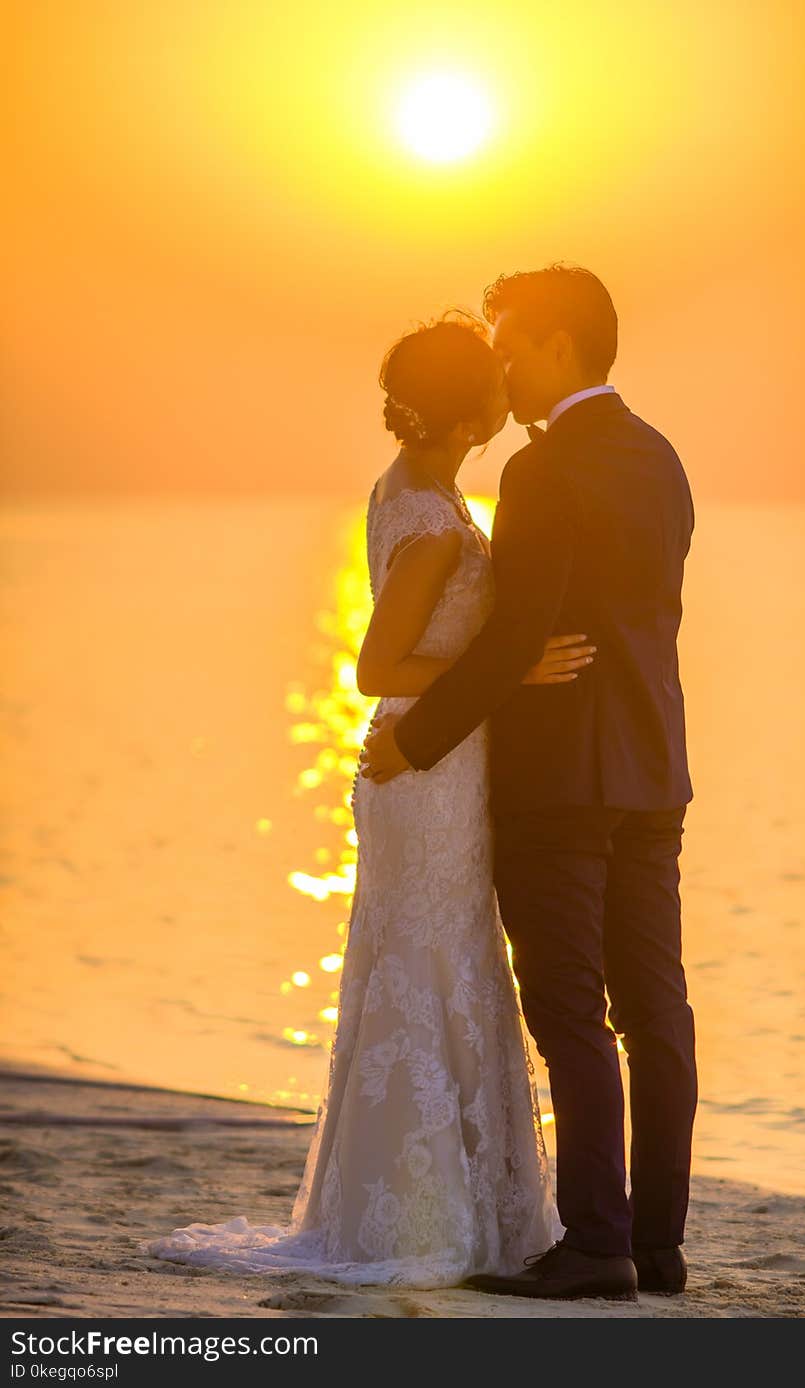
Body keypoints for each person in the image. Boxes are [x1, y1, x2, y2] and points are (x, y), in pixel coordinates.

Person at [140, 310, 598, 1289]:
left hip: (431, 766)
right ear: (464, 403)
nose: (505, 386)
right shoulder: (432, 521)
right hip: (424, 772)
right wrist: (511, 670)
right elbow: (374, 663)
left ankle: (444, 1201)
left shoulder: (416, 490)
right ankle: (419, 1211)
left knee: (437, 962)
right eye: (492, 376)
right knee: (435, 964)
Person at [361, 265, 698, 1299]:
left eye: (509, 342)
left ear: (557, 343)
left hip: (561, 781)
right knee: (657, 1008)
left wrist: (416, 746)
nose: (500, 363)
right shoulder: (660, 455)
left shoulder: (541, 473)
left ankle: (595, 1243)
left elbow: (519, 631)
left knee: (568, 1011)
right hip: (653, 767)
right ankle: (656, 1242)